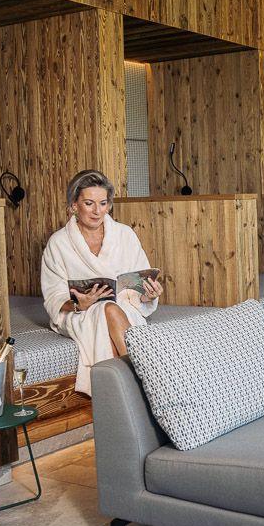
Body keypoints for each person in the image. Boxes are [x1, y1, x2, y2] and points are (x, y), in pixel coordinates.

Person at [40, 169, 164, 394]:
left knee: (110, 309)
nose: (97, 211)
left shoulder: (125, 235)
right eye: (89, 203)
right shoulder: (58, 243)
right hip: (79, 314)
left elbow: (137, 286)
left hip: (124, 308)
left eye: (103, 203)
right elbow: (53, 297)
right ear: (74, 205)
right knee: (108, 309)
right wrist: (79, 303)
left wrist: (148, 294)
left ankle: (126, 393)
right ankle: (149, 383)